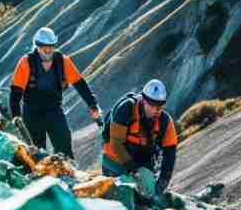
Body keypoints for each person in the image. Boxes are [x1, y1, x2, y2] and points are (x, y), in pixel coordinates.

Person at [9, 27, 100, 158]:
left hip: (54, 111)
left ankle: (68, 174)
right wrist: (16, 117)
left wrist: (92, 105)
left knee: (64, 147)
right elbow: (15, 93)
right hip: (32, 113)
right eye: (44, 46)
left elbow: (80, 84)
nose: (48, 49)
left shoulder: (63, 61)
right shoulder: (26, 62)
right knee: (36, 152)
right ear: (37, 46)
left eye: (51, 46)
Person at [100, 79, 179, 193]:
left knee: (148, 196)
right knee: (119, 193)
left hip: (141, 162)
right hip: (114, 160)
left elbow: (170, 154)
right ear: (143, 100)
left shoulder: (165, 121)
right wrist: (133, 171)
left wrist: (163, 181)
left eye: (160, 105)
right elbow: (116, 144)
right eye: (152, 104)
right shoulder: (126, 108)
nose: (157, 109)